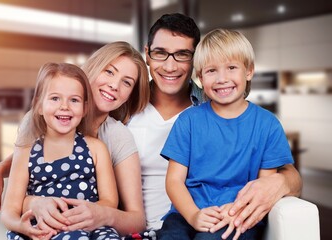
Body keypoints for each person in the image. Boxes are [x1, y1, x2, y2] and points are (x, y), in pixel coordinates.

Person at [127, 13, 302, 237]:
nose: (170, 66)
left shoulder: (263, 123)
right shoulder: (125, 107)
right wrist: (191, 214)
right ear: (147, 54)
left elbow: (270, 183)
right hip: (174, 219)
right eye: (161, 53)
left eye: (181, 55)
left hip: (232, 216)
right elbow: (174, 181)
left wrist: (238, 210)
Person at [0, 41, 150, 237]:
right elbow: (24, 165)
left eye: (127, 82)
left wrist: (102, 214)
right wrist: (1, 172)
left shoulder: (115, 138)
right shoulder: (37, 120)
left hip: (88, 227)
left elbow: (134, 217)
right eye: (109, 72)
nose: (114, 85)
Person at [1, 62, 121, 239]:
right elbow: (9, 209)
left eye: (74, 100)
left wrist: (87, 213)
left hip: (88, 227)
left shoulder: (96, 148)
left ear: (85, 109)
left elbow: (110, 201)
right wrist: (22, 226)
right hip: (44, 228)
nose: (65, 106)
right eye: (55, 98)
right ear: (39, 105)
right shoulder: (26, 150)